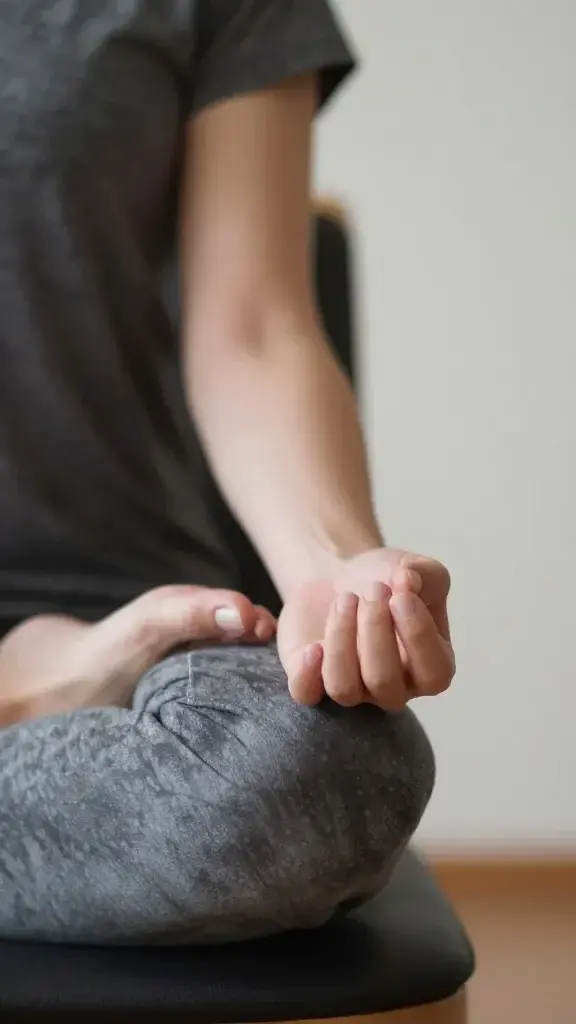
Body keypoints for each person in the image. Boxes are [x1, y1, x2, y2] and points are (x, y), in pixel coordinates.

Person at [0, 1, 454, 944]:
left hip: (130, 621)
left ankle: (48, 672)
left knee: (328, 772)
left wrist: (338, 578)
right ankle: (28, 689)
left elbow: (251, 327)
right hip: (65, 687)